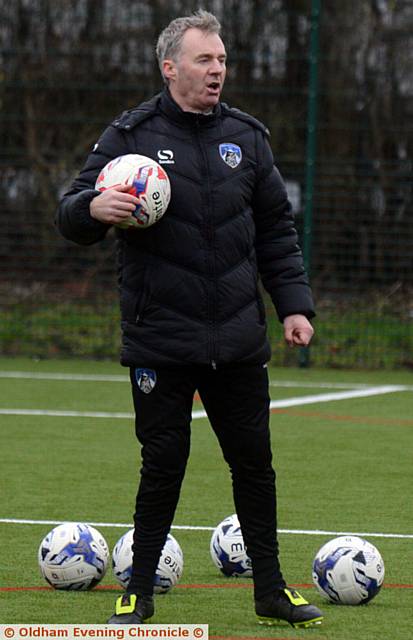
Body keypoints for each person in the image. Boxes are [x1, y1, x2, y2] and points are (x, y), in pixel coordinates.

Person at [56, 9, 323, 630]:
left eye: (223, 60)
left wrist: (294, 306)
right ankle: (139, 591)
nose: (218, 71)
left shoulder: (248, 138)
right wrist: (95, 207)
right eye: (205, 60)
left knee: (254, 464)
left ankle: (271, 591)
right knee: (163, 464)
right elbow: (70, 210)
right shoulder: (130, 135)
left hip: (236, 336)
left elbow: (277, 232)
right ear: (170, 66)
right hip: (161, 338)